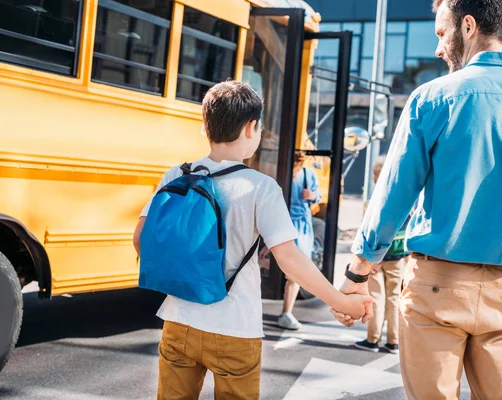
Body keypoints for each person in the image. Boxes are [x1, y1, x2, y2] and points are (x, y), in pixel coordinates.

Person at [333, 0, 502, 398]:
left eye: (440, 33)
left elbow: (392, 198)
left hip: (437, 288)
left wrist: (357, 275)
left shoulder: (431, 98)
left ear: (467, 27)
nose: (438, 48)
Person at [133, 81, 372, 400]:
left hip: (178, 319)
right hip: (234, 328)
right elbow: (290, 261)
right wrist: (342, 302)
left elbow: (140, 239)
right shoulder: (260, 187)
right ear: (251, 128)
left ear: (206, 127)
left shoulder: (177, 175)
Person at [353, 156, 410, 354]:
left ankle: (372, 339)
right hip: (398, 255)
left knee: (376, 297)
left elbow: (367, 231)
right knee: (395, 298)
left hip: (376, 257)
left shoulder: (372, 203)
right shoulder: (404, 199)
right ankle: (393, 342)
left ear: (376, 177)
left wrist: (370, 259)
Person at [277, 151, 322, 330]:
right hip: (284, 224)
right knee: (288, 270)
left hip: (300, 227)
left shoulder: (307, 174)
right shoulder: (283, 173)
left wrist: (312, 196)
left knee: (295, 273)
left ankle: (286, 313)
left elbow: (317, 196)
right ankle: (286, 313)